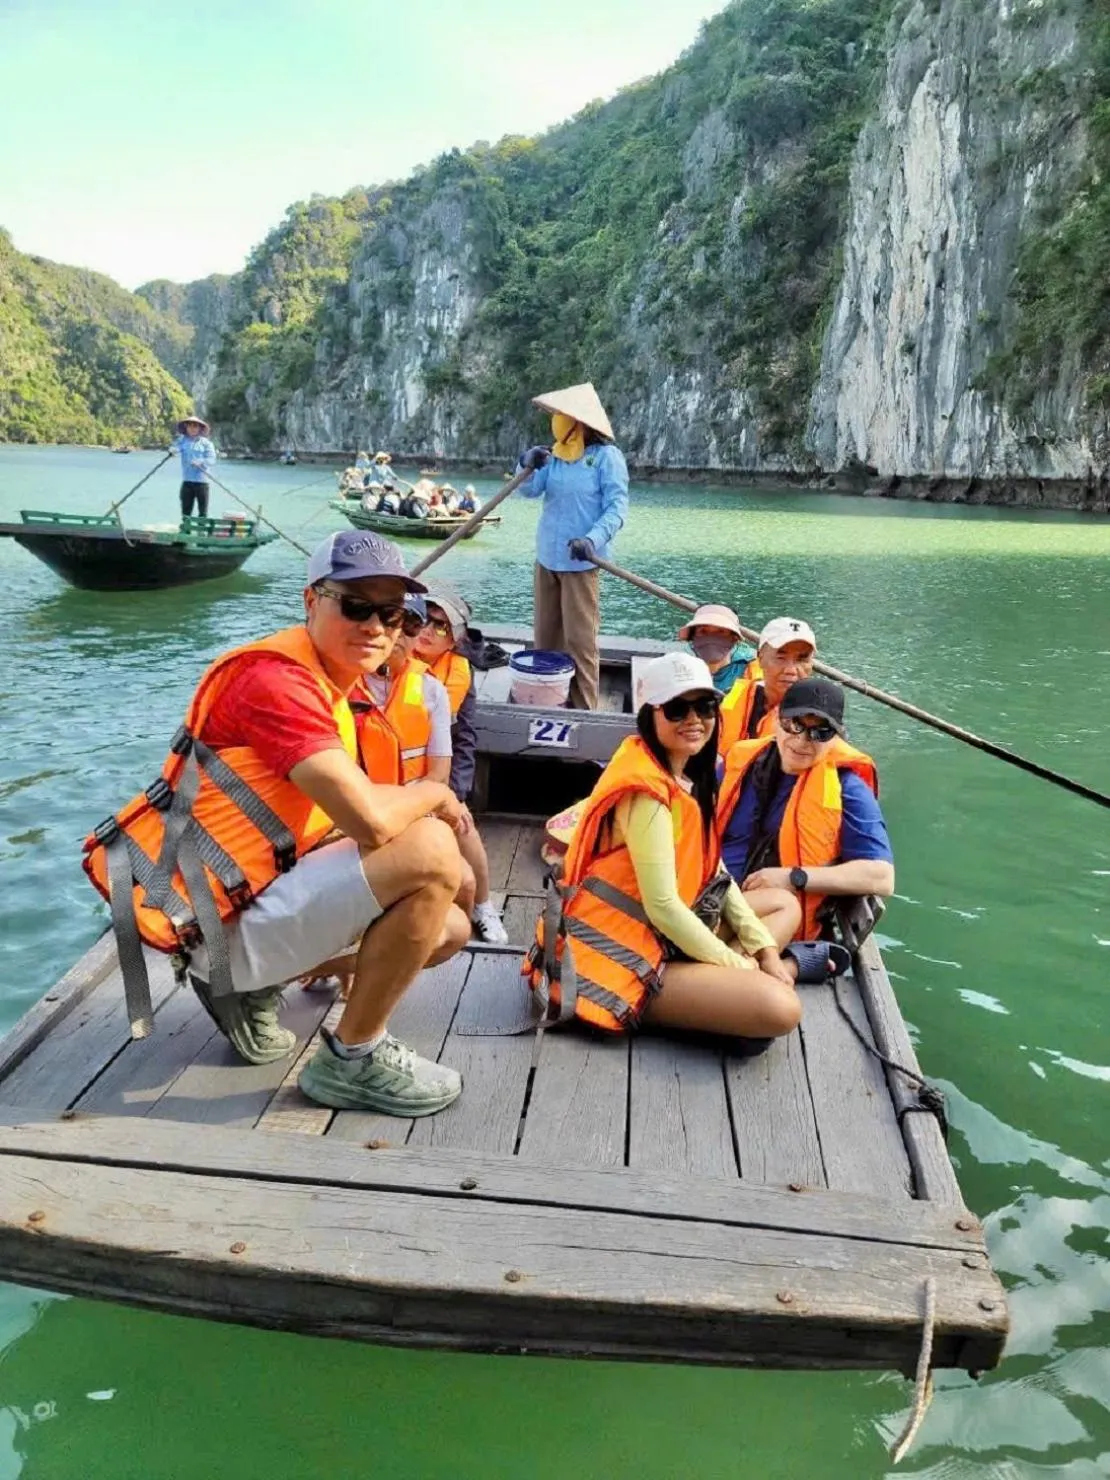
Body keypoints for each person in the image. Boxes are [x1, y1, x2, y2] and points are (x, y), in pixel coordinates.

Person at [82, 529, 472, 1118]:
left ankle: (248, 987)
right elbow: (368, 820)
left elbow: (337, 817)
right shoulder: (277, 684)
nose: (376, 627)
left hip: (247, 899)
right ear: (312, 601)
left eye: (393, 614)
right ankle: (351, 1057)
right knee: (434, 850)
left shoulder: (328, 680)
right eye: (356, 606)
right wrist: (431, 792)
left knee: (449, 927)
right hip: (211, 923)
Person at [526, 653, 820, 1040]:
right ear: (651, 715)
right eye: (678, 709)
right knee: (781, 1008)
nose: (694, 719)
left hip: (664, 936)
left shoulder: (685, 775)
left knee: (784, 906)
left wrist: (764, 950)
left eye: (704, 706)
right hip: (619, 960)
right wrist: (736, 965)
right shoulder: (647, 795)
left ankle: (746, 980)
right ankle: (754, 982)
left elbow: (713, 870)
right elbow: (663, 907)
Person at [717, 677, 894, 953]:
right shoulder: (741, 762)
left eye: (820, 732)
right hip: (715, 899)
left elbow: (882, 878)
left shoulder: (847, 788)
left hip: (776, 920)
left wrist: (794, 877)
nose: (801, 741)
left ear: (836, 737)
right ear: (777, 720)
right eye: (794, 724)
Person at [518, 381, 629, 711]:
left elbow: (616, 508)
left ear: (580, 423)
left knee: (580, 642)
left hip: (581, 562)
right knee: (546, 637)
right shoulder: (552, 457)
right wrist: (526, 463)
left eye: (563, 417)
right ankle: (547, 702)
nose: (558, 422)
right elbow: (528, 491)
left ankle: (584, 710)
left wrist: (591, 540)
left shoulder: (606, 458)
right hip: (547, 558)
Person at [414, 585, 509, 945]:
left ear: (455, 638)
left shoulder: (459, 675)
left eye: (441, 626)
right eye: (423, 618)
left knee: (464, 826)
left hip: (437, 772)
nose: (428, 630)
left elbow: (464, 738)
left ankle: (484, 906)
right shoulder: (385, 660)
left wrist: (456, 792)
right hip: (390, 772)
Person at [718, 616, 817, 754]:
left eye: (801, 659)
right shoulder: (728, 699)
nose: (791, 670)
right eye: (781, 658)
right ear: (760, 658)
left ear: (811, 665)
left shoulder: (820, 720)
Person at [677, 604, 757, 693]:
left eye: (721, 631)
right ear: (692, 637)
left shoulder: (751, 668)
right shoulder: (678, 667)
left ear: (734, 638)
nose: (711, 638)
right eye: (703, 631)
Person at [172, 414, 217, 520]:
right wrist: (172, 451)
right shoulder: (182, 441)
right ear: (186, 427)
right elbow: (175, 448)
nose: (192, 428)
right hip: (187, 481)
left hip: (202, 482)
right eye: (190, 426)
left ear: (199, 428)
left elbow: (212, 459)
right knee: (186, 511)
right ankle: (185, 533)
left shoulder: (206, 444)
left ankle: (201, 533)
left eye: (195, 426)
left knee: (203, 512)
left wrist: (200, 462)